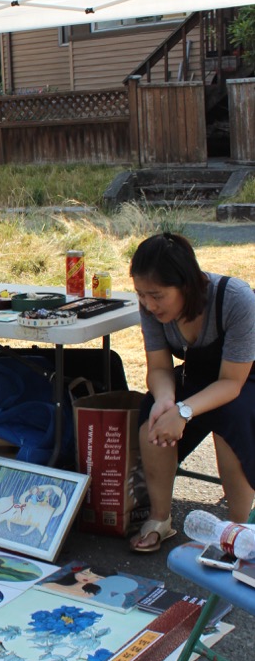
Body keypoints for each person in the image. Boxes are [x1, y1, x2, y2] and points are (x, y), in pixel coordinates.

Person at [129, 232, 255, 552]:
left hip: (244, 377)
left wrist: (183, 412)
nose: (148, 304)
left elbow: (231, 383)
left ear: (186, 284)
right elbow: (158, 367)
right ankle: (160, 518)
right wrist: (166, 402)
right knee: (152, 419)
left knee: (232, 420)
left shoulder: (236, 298)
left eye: (157, 295)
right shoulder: (151, 307)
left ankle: (239, 531)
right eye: (141, 295)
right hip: (195, 375)